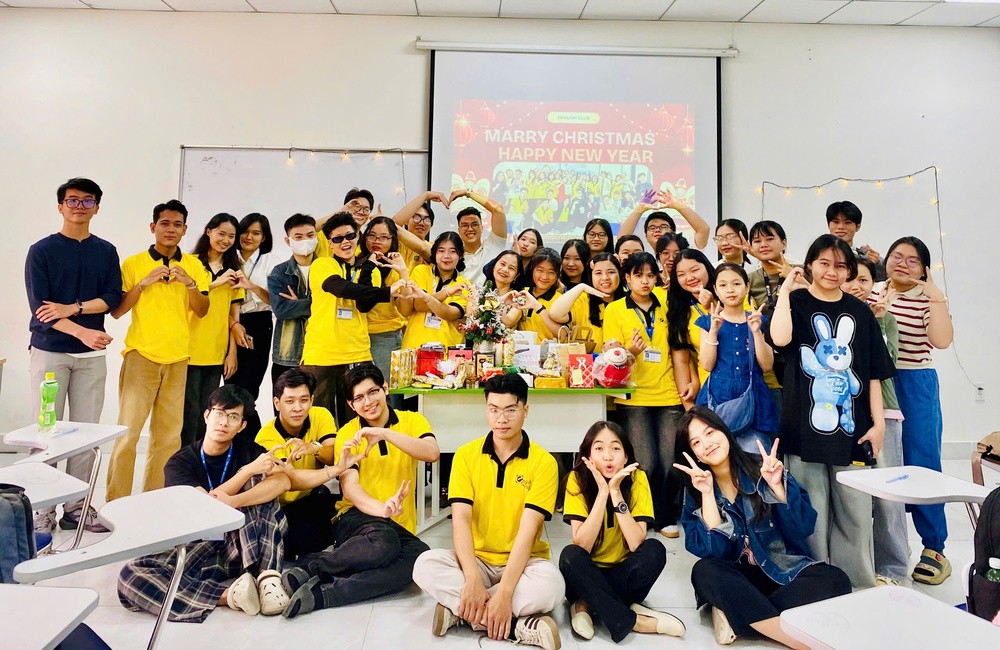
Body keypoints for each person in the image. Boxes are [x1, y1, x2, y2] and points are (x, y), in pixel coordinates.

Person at [767, 234, 895, 589]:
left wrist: (879, 425)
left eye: (840, 266)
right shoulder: (795, 303)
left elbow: (873, 373)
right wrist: (784, 293)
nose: (831, 271)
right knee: (811, 511)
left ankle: (858, 583)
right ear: (809, 264)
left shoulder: (860, 313)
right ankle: (816, 582)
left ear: (850, 271)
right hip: (802, 429)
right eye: (823, 263)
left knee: (855, 511)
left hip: (854, 430)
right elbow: (779, 339)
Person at [675, 406, 852, 648]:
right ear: (694, 454)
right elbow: (714, 553)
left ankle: (738, 614)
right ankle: (794, 639)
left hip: (779, 571)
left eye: (710, 432)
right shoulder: (695, 490)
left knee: (837, 580)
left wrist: (777, 488)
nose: (707, 444)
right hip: (737, 577)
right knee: (704, 571)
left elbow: (803, 528)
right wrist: (707, 495)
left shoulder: (763, 468)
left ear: (724, 431)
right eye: (696, 442)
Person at [412, 374, 564, 650]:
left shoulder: (544, 463)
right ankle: (516, 625)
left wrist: (505, 593)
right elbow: (460, 520)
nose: (501, 419)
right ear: (486, 410)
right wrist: (471, 579)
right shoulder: (465, 455)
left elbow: (528, 533)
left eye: (510, 410)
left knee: (553, 585)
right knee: (425, 564)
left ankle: (462, 612)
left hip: (524, 564)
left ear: (526, 410)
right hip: (476, 561)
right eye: (493, 410)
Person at [117, 385, 290, 622]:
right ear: (207, 415)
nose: (224, 422)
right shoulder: (179, 463)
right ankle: (231, 595)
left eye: (233, 417)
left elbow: (283, 481)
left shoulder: (249, 450)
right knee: (130, 575)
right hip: (202, 547)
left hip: (246, 540)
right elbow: (204, 508)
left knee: (258, 485)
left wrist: (235, 499)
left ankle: (267, 579)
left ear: (242, 426)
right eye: (219, 414)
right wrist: (246, 471)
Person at [280, 364, 439, 617]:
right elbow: (350, 488)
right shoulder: (348, 433)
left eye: (373, 392)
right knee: (384, 542)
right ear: (351, 404)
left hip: (399, 524)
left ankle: (325, 594)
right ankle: (315, 569)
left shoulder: (412, 420)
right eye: (359, 398)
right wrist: (382, 509)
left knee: (419, 559)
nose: (368, 402)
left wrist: (384, 434)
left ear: (385, 389)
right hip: (355, 517)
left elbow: (431, 453)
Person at [25, 177, 122, 533]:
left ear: (97, 207)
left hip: (91, 359)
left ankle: (78, 506)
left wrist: (73, 307)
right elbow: (41, 309)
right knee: (46, 433)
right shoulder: (42, 251)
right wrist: (82, 330)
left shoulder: (105, 251)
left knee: (85, 434)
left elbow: (111, 298)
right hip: (50, 353)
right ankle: (42, 509)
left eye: (87, 200)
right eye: (72, 200)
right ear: (60, 206)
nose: (79, 206)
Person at [106, 200, 210, 501]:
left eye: (177, 225)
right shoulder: (133, 263)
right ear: (153, 227)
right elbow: (117, 311)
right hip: (141, 355)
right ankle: (115, 501)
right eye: (165, 223)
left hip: (178, 358)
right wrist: (143, 284)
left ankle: (154, 501)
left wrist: (190, 284)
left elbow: (202, 310)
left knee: (168, 437)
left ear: (185, 230)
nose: (170, 229)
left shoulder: (194, 266)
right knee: (127, 435)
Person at [873, 236, 955, 584]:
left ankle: (934, 548)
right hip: (876, 383)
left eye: (913, 260)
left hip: (914, 382)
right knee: (880, 465)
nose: (902, 263)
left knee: (922, 463)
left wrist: (935, 295)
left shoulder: (928, 297)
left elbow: (942, 340)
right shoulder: (873, 289)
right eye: (897, 256)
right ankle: (889, 545)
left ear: (924, 268)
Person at [559, 421, 683, 643]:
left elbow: (636, 543)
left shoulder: (638, 478)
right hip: (587, 575)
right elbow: (583, 545)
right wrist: (602, 494)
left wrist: (615, 492)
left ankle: (587, 605)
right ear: (588, 456)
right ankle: (632, 620)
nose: (608, 456)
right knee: (570, 555)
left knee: (655, 549)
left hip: (624, 576)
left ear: (626, 457)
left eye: (615, 448)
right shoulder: (576, 480)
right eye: (599, 448)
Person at [300, 212, 408, 427]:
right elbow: (339, 287)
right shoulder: (323, 265)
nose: (345, 242)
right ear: (330, 243)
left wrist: (367, 268)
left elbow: (364, 305)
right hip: (322, 355)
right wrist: (387, 292)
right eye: (337, 239)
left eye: (349, 236)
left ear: (358, 236)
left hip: (358, 353)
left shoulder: (371, 271)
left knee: (359, 420)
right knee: (319, 420)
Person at [602, 252, 684, 536]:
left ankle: (665, 516)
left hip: (669, 394)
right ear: (627, 278)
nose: (645, 281)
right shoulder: (615, 310)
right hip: (633, 396)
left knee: (671, 463)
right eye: (638, 275)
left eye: (651, 275)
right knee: (645, 464)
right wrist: (630, 352)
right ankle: (644, 515)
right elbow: (610, 357)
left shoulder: (668, 303)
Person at [842, 258, 908, 586]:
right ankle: (858, 567)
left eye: (864, 279)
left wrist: (879, 321)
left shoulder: (886, 318)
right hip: (845, 415)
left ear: (873, 284)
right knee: (853, 497)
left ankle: (894, 568)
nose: (856, 285)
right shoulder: (834, 316)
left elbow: (887, 363)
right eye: (851, 278)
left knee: (888, 495)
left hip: (886, 412)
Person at [254, 368, 357, 559]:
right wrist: (333, 471)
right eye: (289, 401)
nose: (297, 408)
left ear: (311, 400)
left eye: (303, 400)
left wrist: (315, 448)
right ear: (277, 403)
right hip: (280, 507)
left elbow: (333, 456)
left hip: (311, 497)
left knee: (350, 512)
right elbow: (292, 480)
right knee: (303, 537)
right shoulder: (266, 438)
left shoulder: (320, 415)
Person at [696, 263, 778, 453]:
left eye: (736, 283)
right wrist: (713, 332)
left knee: (756, 456)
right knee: (719, 456)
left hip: (754, 399)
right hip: (718, 397)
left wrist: (756, 332)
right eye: (723, 285)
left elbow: (767, 365)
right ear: (715, 289)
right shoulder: (708, 321)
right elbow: (707, 365)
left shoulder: (757, 319)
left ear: (747, 287)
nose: (730, 290)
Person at [182, 213, 245, 447]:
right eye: (221, 233)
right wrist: (216, 283)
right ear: (208, 231)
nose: (226, 240)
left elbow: (234, 317)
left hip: (215, 352)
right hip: (187, 349)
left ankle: (203, 458)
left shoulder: (234, 270)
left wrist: (232, 353)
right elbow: (182, 298)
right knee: (187, 413)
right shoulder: (190, 263)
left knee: (208, 413)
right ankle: (185, 459)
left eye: (231, 236)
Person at [226, 213, 276, 411]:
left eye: (256, 233)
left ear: (263, 238)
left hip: (259, 322)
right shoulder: (228, 258)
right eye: (245, 231)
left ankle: (246, 422)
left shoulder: (270, 261)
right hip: (230, 320)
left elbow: (274, 301)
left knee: (250, 384)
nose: (249, 237)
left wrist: (252, 286)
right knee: (230, 380)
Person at [359, 216, 410, 409]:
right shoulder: (358, 262)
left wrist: (403, 274)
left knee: (387, 395)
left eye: (384, 237)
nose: (376, 241)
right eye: (372, 235)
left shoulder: (395, 268)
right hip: (356, 337)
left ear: (393, 240)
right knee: (361, 395)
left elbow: (405, 309)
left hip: (385, 337)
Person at [398, 231, 471, 350]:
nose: (446, 256)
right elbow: (418, 305)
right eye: (441, 251)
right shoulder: (421, 271)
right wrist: (446, 293)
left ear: (460, 255)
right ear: (435, 253)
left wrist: (427, 297)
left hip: (446, 351)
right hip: (414, 347)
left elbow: (449, 314)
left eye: (452, 251)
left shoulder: (464, 284)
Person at [268, 214, 316, 388]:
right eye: (298, 237)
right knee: (285, 400)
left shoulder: (328, 267)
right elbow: (281, 309)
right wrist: (313, 303)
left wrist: (297, 304)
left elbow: (335, 307)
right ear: (288, 241)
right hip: (288, 352)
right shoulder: (279, 272)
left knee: (318, 402)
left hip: (321, 351)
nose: (305, 241)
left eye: (310, 236)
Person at [666, 249, 716, 410]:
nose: (689, 278)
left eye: (695, 270)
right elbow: (681, 359)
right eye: (681, 274)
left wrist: (711, 307)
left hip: (746, 385)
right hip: (709, 390)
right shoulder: (680, 310)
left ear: (706, 267)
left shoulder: (729, 293)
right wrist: (689, 407)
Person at [546, 253, 625, 352]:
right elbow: (555, 314)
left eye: (611, 272)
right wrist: (581, 287)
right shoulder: (583, 299)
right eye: (598, 273)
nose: (605, 277)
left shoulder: (629, 300)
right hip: (587, 360)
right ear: (591, 276)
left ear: (619, 274)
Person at [618, 191, 710, 251]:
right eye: (652, 228)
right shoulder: (644, 260)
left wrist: (678, 205)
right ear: (646, 236)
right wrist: (639, 209)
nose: (657, 230)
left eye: (663, 227)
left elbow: (703, 230)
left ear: (673, 233)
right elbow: (622, 240)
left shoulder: (686, 250)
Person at [511, 248, 563, 342]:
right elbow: (509, 321)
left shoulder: (560, 300)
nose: (544, 277)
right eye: (540, 270)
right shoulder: (523, 293)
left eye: (551, 272)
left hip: (547, 350)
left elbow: (563, 335)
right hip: (521, 349)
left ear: (557, 275)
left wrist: (538, 307)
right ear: (532, 269)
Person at [391, 190, 448, 274]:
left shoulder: (433, 247)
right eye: (417, 217)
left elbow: (423, 249)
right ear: (406, 221)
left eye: (427, 219)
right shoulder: (396, 242)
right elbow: (392, 225)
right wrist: (426, 195)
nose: (421, 223)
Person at [825, 200, 884, 279]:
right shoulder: (819, 252)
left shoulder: (865, 256)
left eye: (847, 222)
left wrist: (875, 264)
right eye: (836, 222)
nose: (840, 227)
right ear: (828, 225)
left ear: (858, 227)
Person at [314, 187, 377, 258]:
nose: (361, 212)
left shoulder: (365, 245)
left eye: (366, 209)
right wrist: (340, 212)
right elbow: (308, 229)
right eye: (357, 206)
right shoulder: (326, 235)